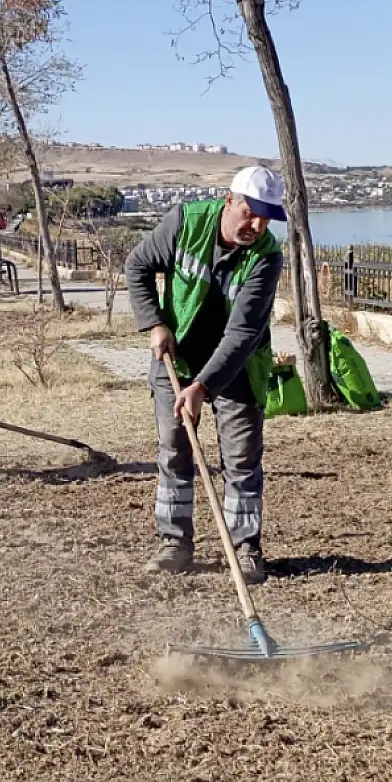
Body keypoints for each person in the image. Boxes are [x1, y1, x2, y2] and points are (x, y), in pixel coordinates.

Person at [124, 166, 286, 584]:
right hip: (175, 360)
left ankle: (245, 549)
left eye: (266, 218)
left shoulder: (266, 255)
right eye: (251, 213)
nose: (257, 225)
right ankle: (174, 545)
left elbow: (244, 333)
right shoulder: (186, 222)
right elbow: (138, 265)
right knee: (175, 454)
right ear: (228, 200)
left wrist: (203, 386)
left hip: (237, 367)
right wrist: (154, 324)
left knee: (242, 461)